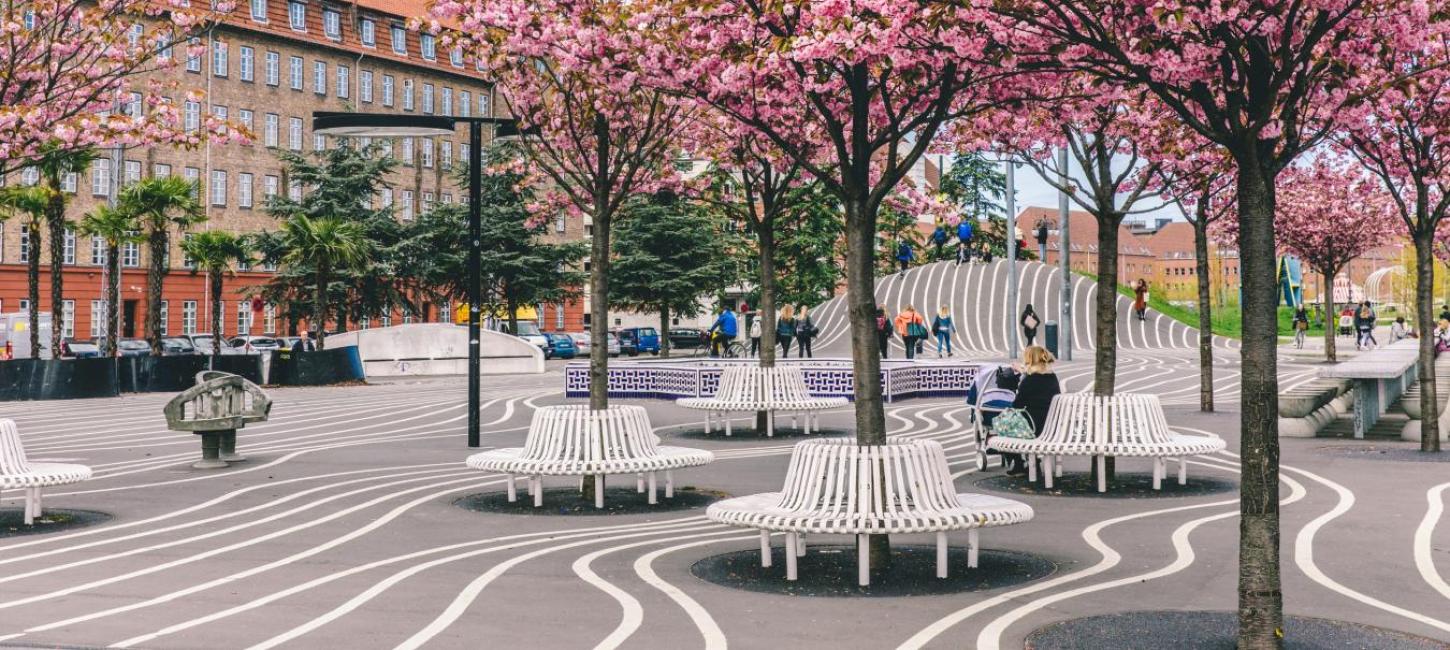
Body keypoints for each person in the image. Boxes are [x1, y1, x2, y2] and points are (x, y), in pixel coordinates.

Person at [1006, 345, 1061, 477]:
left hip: (1035, 427)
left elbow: (1017, 405)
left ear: (1029, 360)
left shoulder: (1029, 380)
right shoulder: (1052, 377)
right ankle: (1033, 462)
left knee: (1005, 425)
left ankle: (1019, 463)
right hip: (1052, 426)